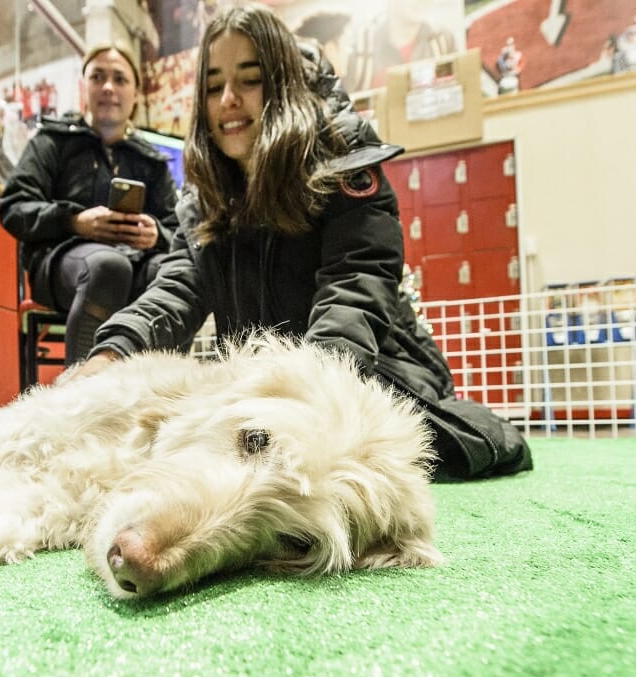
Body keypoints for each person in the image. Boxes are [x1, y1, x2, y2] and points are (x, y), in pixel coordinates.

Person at [74, 4, 532, 481]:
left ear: (282, 85)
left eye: (249, 80)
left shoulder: (344, 165)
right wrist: (112, 353)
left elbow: (355, 288)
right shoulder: (204, 202)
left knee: (379, 462)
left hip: (372, 375)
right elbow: (174, 293)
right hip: (274, 396)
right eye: (213, 86)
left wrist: (302, 394)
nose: (228, 99)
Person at [0, 42, 180, 365]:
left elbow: (176, 232)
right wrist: (74, 221)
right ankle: (79, 400)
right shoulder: (53, 141)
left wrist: (157, 236)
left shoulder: (151, 161)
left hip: (136, 262)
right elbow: (14, 206)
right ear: (85, 87)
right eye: (98, 77)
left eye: (120, 79)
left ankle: (162, 399)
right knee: (108, 267)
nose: (108, 87)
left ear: (135, 94)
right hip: (60, 261)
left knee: (173, 276)